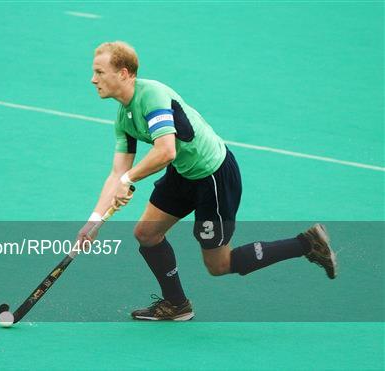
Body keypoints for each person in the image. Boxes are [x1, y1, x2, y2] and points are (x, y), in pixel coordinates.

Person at [77, 41, 337, 321]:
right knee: (146, 234)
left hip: (213, 176)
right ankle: (177, 305)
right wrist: (94, 223)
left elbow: (166, 151)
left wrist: (129, 179)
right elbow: (117, 173)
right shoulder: (123, 118)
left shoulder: (151, 97)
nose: (93, 79)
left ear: (125, 73)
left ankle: (306, 243)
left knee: (219, 264)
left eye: (100, 72)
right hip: (183, 172)